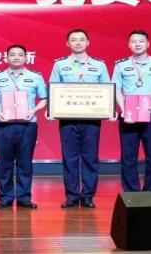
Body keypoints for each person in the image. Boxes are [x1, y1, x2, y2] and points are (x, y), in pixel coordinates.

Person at [49, 29, 110, 208]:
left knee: (90, 158)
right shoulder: (60, 65)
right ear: (67, 43)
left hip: (92, 119)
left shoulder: (99, 65)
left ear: (88, 42)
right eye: (74, 40)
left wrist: (107, 109)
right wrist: (53, 109)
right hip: (67, 119)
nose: (78, 42)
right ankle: (72, 195)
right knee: (70, 158)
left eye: (81, 39)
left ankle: (88, 195)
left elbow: (107, 89)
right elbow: (53, 88)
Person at [0, 44, 47, 209]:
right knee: (4, 163)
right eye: (12, 54)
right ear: (6, 58)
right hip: (3, 125)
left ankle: (24, 197)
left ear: (26, 58)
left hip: (27, 125)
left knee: (25, 162)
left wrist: (34, 110)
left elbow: (44, 98)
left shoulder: (36, 77)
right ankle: (5, 197)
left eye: (20, 54)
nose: (16, 57)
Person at [113, 30, 151, 192]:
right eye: (134, 42)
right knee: (128, 157)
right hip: (128, 116)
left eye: (141, 41)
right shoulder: (121, 65)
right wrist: (123, 109)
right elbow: (116, 89)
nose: (137, 44)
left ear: (148, 44)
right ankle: (131, 193)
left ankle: (150, 193)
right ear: (129, 45)